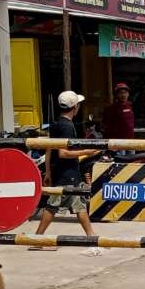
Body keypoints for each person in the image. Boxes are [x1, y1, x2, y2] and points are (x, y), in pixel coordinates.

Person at [31, 91, 102, 254]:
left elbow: (49, 148)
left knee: (79, 204)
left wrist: (48, 171)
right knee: (53, 205)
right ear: (75, 107)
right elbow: (63, 153)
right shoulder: (67, 127)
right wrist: (88, 151)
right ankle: (37, 238)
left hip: (61, 170)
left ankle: (92, 238)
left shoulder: (56, 124)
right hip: (66, 171)